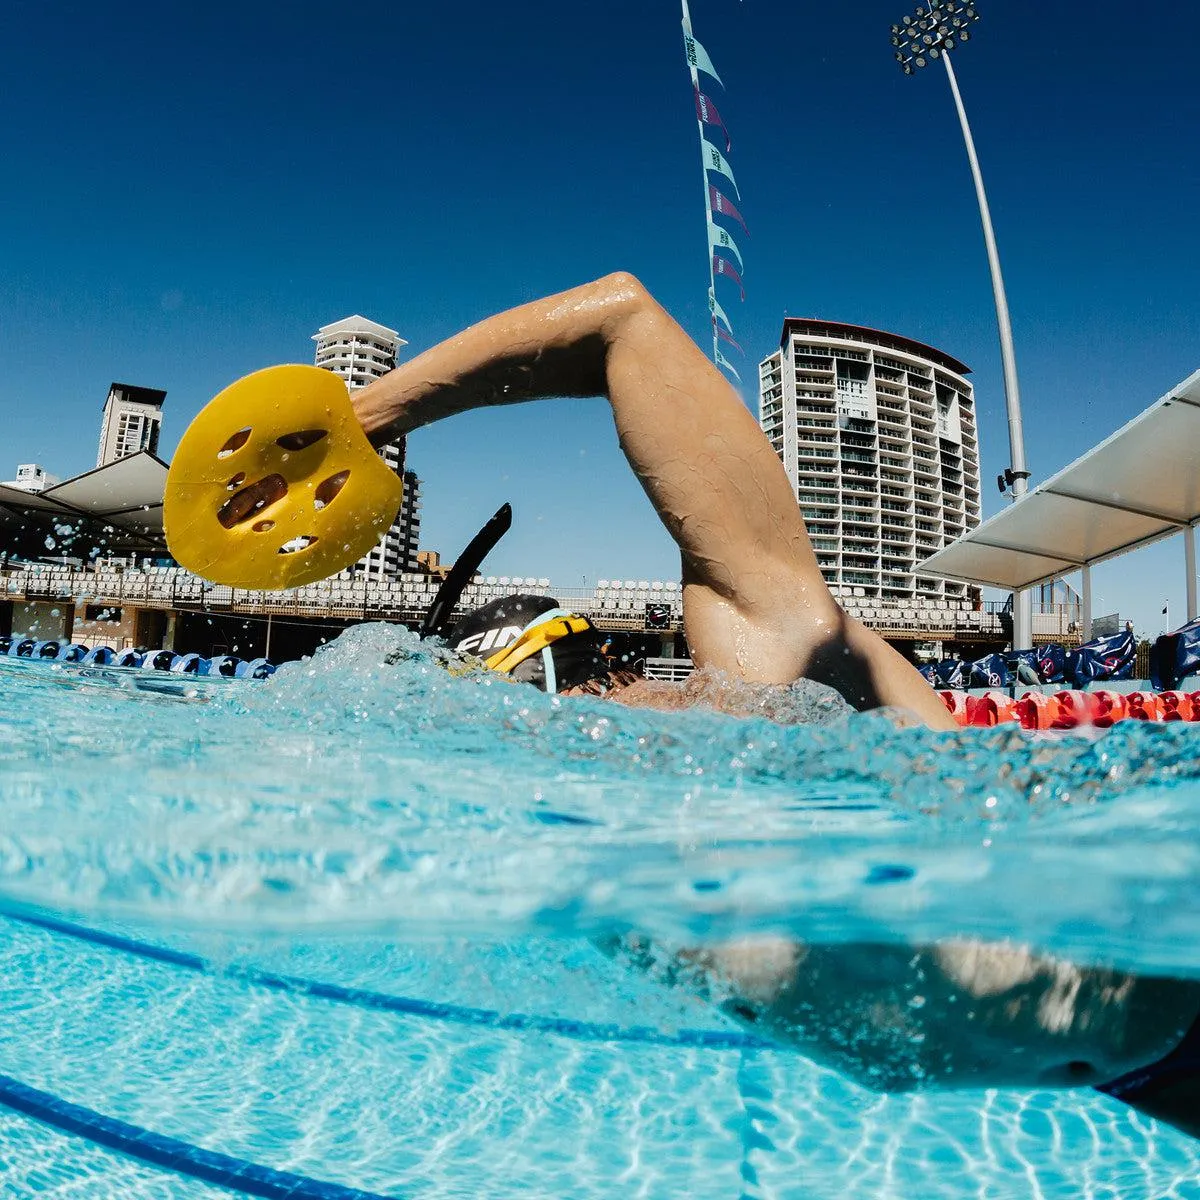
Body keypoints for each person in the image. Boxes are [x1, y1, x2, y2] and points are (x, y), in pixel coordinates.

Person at [319, 273, 1200, 1136]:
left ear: (539, 686)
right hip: (1147, 1065)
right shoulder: (608, 859)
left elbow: (621, 323)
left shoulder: (765, 664)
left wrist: (366, 418)